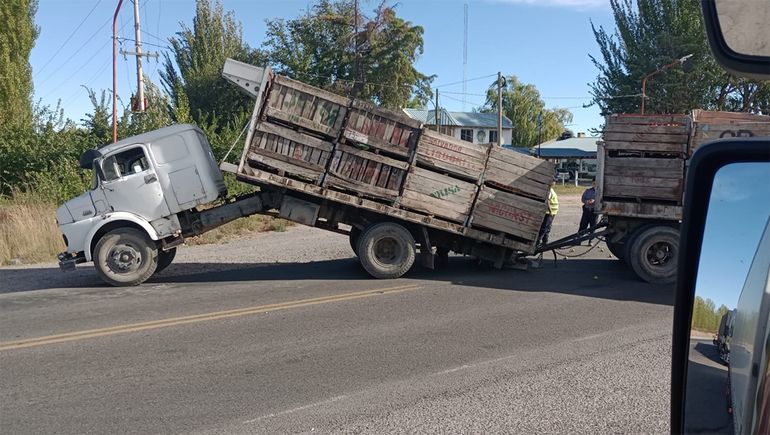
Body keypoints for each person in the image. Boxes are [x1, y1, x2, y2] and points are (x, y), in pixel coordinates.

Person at [536, 178, 559, 247]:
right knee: (545, 227)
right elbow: (547, 201)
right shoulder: (549, 191)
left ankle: (545, 241)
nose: (555, 183)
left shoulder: (551, 190)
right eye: (554, 182)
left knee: (548, 227)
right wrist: (550, 210)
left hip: (552, 212)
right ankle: (538, 242)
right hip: (549, 213)